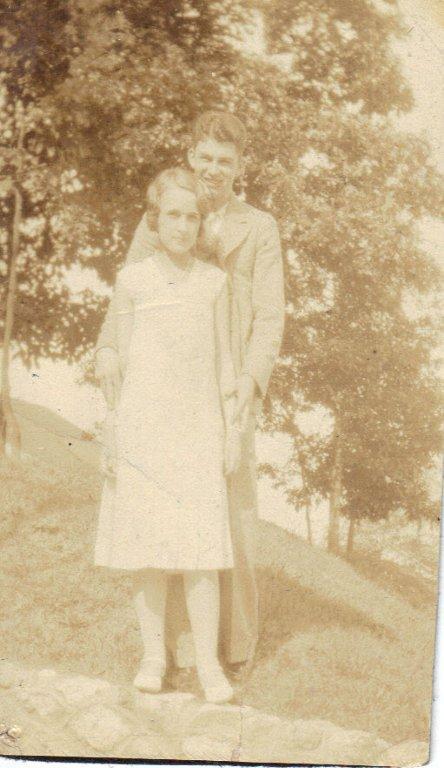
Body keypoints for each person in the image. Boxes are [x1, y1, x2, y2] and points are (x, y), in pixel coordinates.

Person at [95, 110, 285, 671]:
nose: (213, 169)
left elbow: (270, 315)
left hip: (229, 385)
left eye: (226, 161)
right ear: (191, 156)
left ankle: (235, 647)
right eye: (205, 157)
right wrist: (107, 348)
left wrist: (251, 380)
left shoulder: (259, 227)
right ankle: (174, 650)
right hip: (169, 389)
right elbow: (127, 294)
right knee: (168, 510)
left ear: (240, 166)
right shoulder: (165, 214)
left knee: (233, 515)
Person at [95, 167, 241, 704]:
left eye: (192, 217)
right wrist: (113, 432)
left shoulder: (214, 283)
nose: (182, 226)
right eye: (172, 215)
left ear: (202, 224)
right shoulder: (133, 280)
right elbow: (117, 360)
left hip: (198, 427)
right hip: (144, 426)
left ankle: (208, 665)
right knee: (148, 549)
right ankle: (153, 655)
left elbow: (225, 361)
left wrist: (231, 429)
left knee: (201, 551)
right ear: (155, 221)